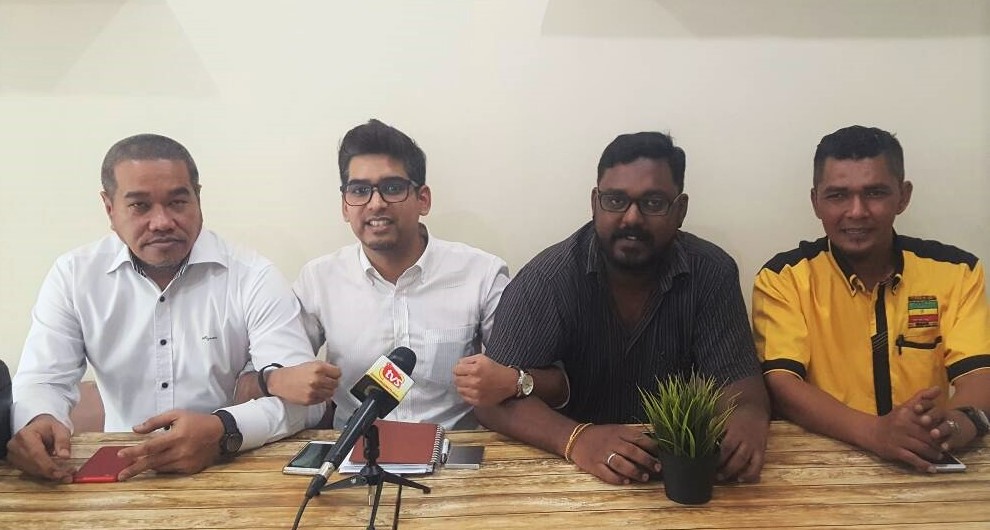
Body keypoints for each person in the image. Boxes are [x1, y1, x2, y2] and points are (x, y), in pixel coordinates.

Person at [7, 134, 326, 482]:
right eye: (140, 206)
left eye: (177, 202)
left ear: (198, 198)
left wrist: (223, 430)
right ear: (109, 208)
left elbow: (304, 403)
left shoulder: (252, 276)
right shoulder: (74, 276)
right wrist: (38, 420)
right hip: (118, 475)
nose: (161, 221)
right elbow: (43, 379)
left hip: (230, 468)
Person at [475, 131, 770, 485]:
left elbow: (740, 385)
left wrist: (747, 420)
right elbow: (490, 402)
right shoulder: (548, 279)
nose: (631, 218)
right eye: (615, 200)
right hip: (571, 474)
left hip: (677, 473)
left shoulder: (710, 272)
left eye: (653, 203)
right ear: (594, 203)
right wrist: (576, 439)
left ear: (680, 210)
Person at [257, 119, 528, 431]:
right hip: (355, 449)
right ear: (345, 206)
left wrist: (512, 380)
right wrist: (279, 378)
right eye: (360, 191)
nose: (376, 204)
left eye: (392, 188)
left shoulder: (481, 274)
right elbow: (271, 366)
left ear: (423, 199)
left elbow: (520, 372)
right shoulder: (318, 280)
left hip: (452, 450)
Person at [753, 125, 990, 473]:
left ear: (903, 196)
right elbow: (782, 385)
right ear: (816, 202)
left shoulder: (956, 272)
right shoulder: (784, 278)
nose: (857, 211)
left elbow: (980, 374)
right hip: (820, 463)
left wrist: (952, 425)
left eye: (875, 193)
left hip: (928, 462)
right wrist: (875, 432)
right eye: (837, 195)